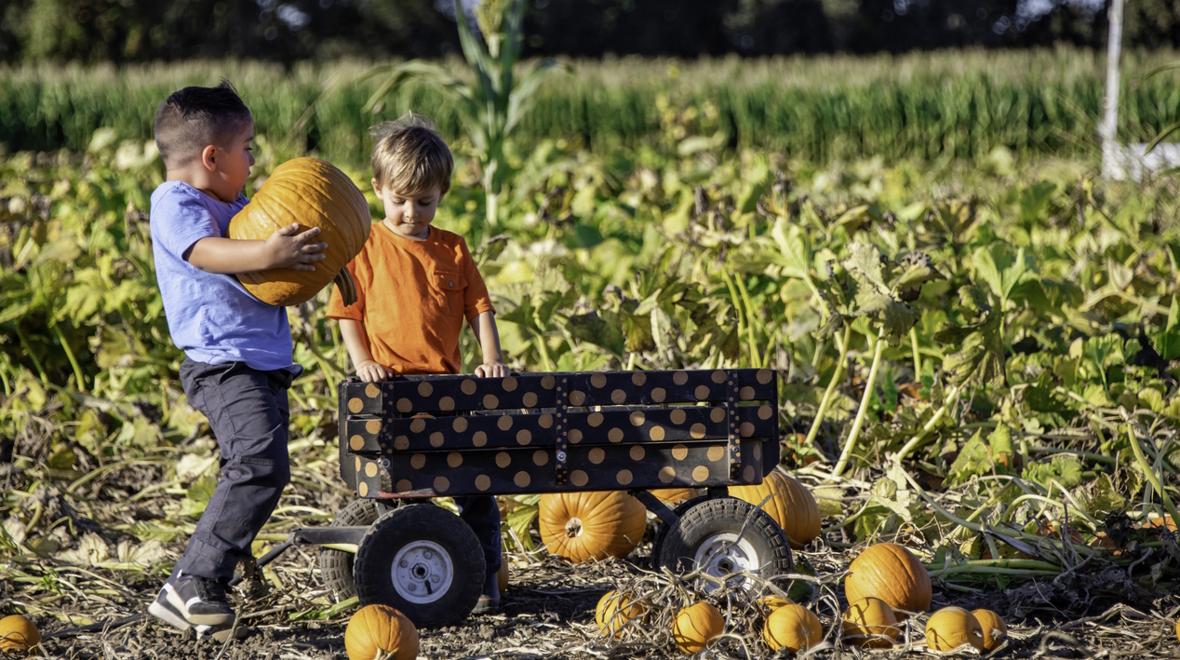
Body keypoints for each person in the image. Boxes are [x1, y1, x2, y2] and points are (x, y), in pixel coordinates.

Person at [146, 81, 328, 639]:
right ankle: (193, 581)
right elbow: (204, 252)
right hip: (222, 364)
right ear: (211, 157)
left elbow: (271, 271)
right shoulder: (176, 203)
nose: (253, 159)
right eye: (247, 147)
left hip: (262, 363)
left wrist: (317, 260)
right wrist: (269, 251)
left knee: (263, 468)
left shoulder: (240, 206)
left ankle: (209, 581)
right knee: (259, 465)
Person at [327, 113, 507, 613]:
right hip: (390, 388)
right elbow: (347, 312)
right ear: (378, 188)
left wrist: (491, 359)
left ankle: (486, 580)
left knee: (475, 489)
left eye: (424, 202)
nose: (411, 212)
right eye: (400, 200)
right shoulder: (363, 246)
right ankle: (404, 572)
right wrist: (363, 362)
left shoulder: (452, 248)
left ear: (441, 194)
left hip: (447, 389)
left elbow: (479, 308)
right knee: (402, 487)